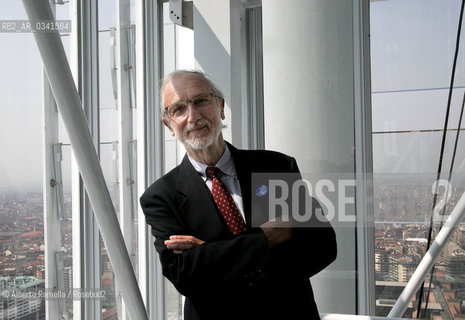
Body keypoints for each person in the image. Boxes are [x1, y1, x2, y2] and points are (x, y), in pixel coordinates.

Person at [140, 70, 337, 320]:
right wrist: (271, 236)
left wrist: (212, 253)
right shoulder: (161, 196)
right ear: (169, 125)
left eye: (201, 101)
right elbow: (184, 276)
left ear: (220, 107)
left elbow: (321, 247)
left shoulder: (274, 167)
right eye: (179, 109)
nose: (193, 116)